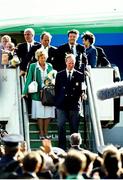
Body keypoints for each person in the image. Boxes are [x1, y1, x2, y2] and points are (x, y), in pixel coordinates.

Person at [22, 49, 56, 140]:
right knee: (40, 114)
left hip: (48, 93)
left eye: (44, 57)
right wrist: (24, 91)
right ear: (38, 57)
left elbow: (53, 78)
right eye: (41, 57)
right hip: (37, 93)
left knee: (48, 114)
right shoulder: (33, 66)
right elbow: (29, 78)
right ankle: (41, 132)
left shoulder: (50, 66)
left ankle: (46, 132)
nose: (43, 59)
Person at [55, 53, 84, 150]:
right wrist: (57, 102)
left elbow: (81, 89)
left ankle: (74, 147)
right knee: (61, 126)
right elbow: (56, 89)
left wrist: (83, 94)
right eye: (69, 63)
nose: (71, 65)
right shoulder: (59, 74)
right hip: (62, 105)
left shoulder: (79, 75)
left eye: (73, 63)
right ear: (66, 62)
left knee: (74, 127)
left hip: (74, 105)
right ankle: (62, 148)